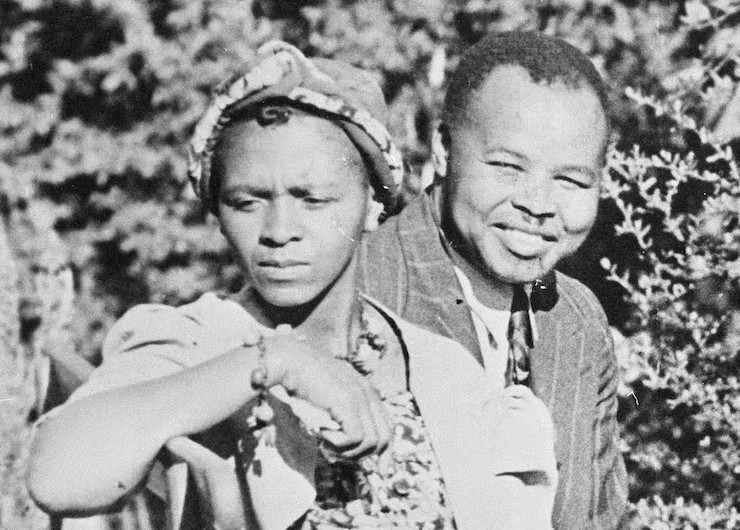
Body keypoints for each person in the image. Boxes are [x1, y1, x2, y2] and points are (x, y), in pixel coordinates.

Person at [28, 41, 559, 529]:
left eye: (313, 199)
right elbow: (56, 476)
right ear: (217, 211)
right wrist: (275, 362)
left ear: (374, 204)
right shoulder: (198, 342)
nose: (279, 233)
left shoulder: (441, 367)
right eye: (247, 202)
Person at [360, 31, 629, 528]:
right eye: (508, 167)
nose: (539, 204)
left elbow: (599, 519)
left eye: (570, 180)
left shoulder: (578, 319)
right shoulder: (359, 291)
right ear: (443, 149)